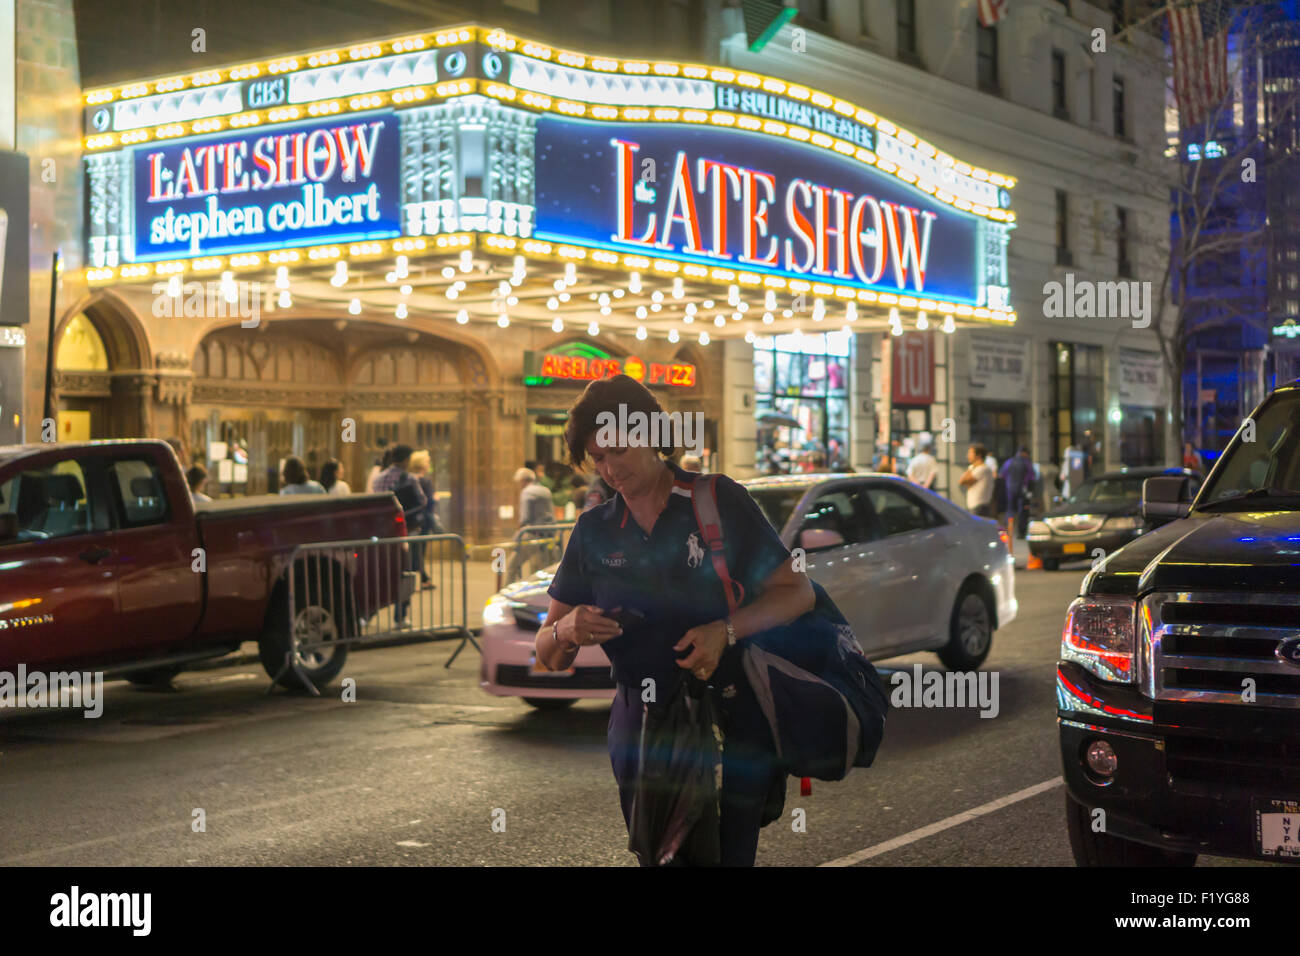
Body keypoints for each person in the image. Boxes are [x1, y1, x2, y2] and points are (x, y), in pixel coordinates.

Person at [537, 374, 814, 866]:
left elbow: (797, 592)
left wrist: (725, 631)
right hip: (641, 728)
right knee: (660, 859)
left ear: (651, 435)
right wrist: (566, 629)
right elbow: (549, 655)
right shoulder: (595, 530)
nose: (609, 469)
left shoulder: (716, 500)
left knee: (727, 858)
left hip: (728, 716)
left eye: (618, 450)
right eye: (597, 458)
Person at [508, 466, 559, 582]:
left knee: (512, 565)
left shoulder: (526, 492)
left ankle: (507, 589)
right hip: (548, 534)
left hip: (531, 534)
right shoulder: (546, 490)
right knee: (540, 569)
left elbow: (525, 518)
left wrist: (517, 534)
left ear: (522, 481)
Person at [999, 447, 1034, 543]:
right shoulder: (1027, 463)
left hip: (1010, 491)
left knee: (1010, 511)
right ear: (1024, 453)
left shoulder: (1009, 462)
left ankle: (1009, 532)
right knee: (1022, 512)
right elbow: (1031, 477)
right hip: (1023, 491)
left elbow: (1002, 475)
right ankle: (1021, 533)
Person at [958, 443, 994, 517]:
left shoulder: (982, 469)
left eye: (970, 453)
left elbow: (962, 481)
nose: (968, 456)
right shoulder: (975, 468)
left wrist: (971, 467)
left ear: (978, 455)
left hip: (979, 507)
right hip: (975, 506)